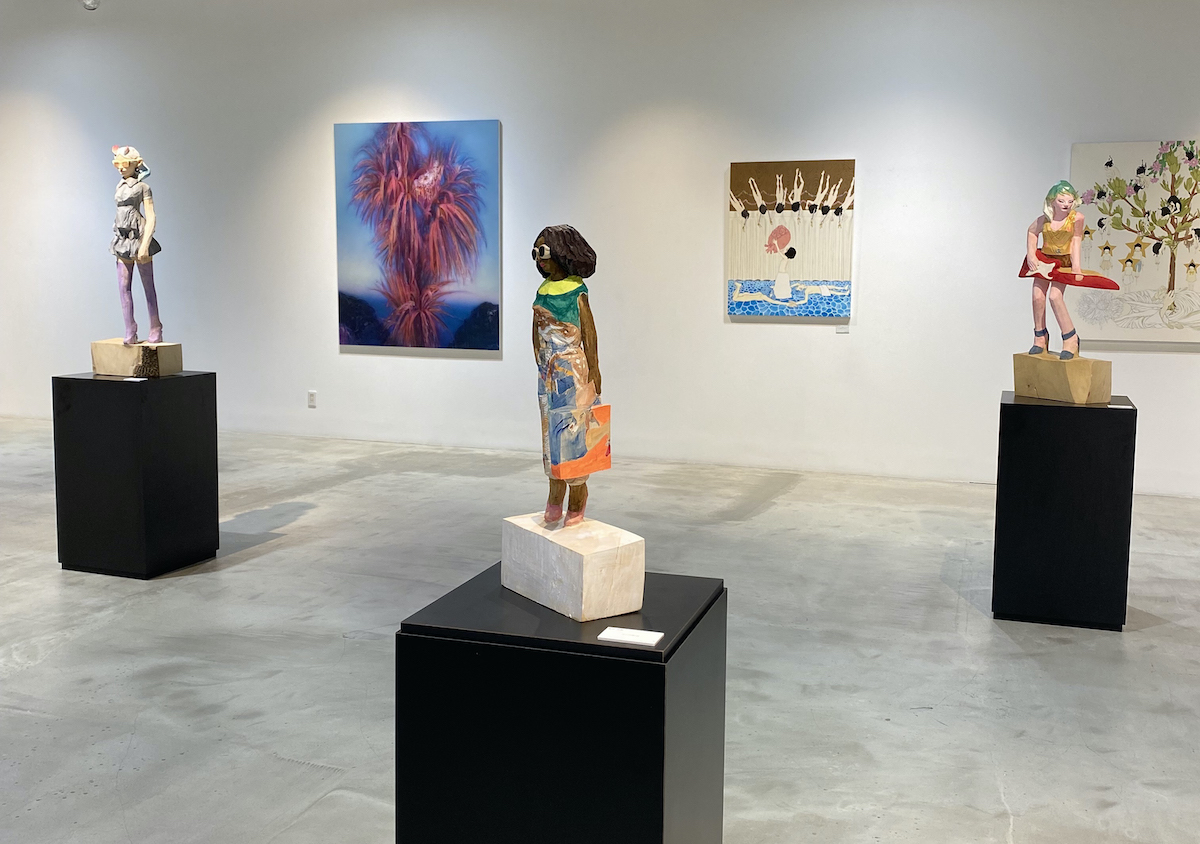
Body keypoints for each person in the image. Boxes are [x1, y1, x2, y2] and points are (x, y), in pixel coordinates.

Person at [531, 225, 605, 526]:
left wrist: (594, 368)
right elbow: (536, 329)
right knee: (550, 434)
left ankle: (577, 497)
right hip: (548, 373)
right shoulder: (542, 290)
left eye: (543, 251)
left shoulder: (577, 290)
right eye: (535, 253)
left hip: (573, 370)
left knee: (574, 432)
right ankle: (554, 495)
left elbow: (589, 331)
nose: (539, 258)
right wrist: (539, 360)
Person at [1019, 181, 1117, 360]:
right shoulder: (1044, 219)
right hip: (1045, 260)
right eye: (1061, 201)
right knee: (1037, 296)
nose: (1066, 205)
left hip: (1063, 261)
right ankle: (1040, 336)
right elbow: (1032, 232)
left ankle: (1070, 337)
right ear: (1052, 201)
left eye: (1070, 201)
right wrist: (1031, 254)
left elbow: (1076, 240)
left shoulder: (1076, 218)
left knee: (1055, 296)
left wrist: (1076, 267)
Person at [110, 145, 163, 345]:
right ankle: (130, 328)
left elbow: (151, 216)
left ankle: (155, 326)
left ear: (136, 164)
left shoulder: (143, 188)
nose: (121, 168)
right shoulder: (120, 186)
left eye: (125, 164)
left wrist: (145, 244)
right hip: (122, 239)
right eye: (117, 164)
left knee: (148, 287)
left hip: (138, 238)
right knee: (123, 287)